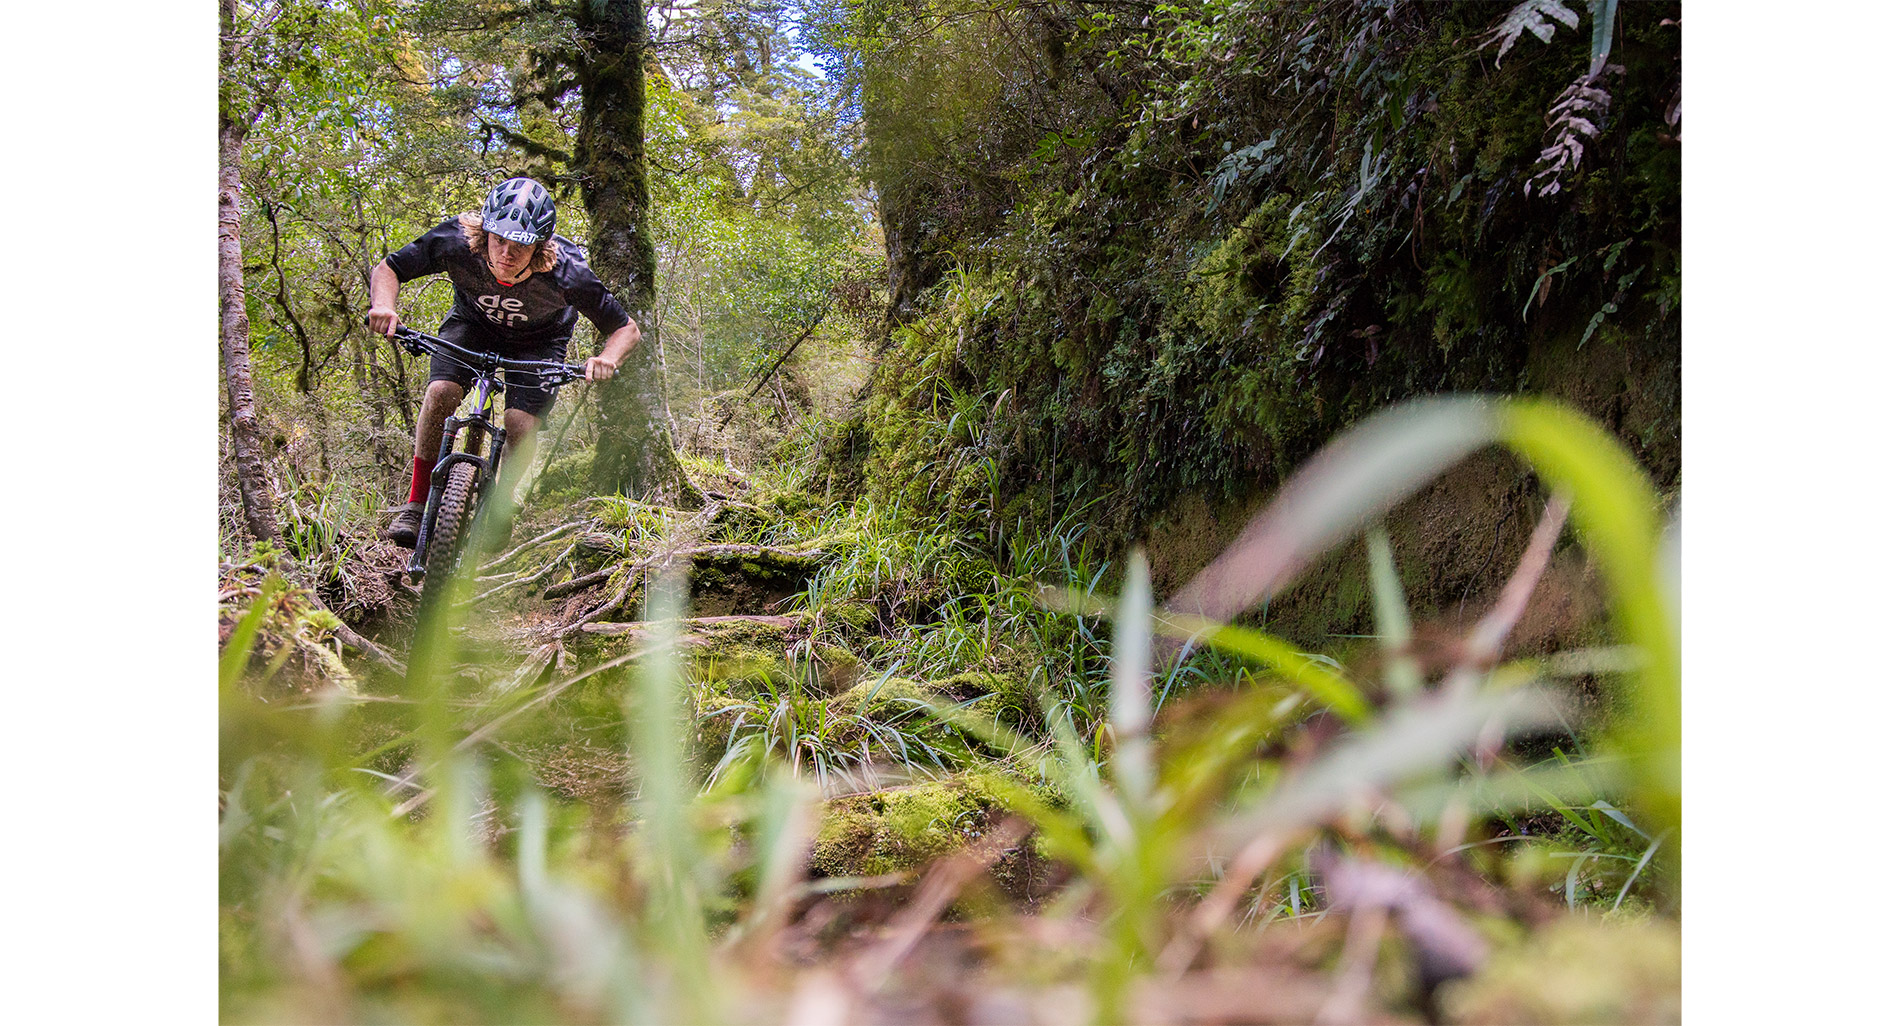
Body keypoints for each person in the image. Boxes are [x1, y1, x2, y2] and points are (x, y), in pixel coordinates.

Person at [366, 177, 640, 547]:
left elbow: (626, 329)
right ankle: (416, 503)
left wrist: (607, 358)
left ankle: (500, 500)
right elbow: (389, 269)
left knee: (520, 422)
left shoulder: (567, 272)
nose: (506, 254)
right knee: (441, 392)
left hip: (539, 341)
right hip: (472, 324)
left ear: (540, 247)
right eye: (499, 240)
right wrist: (384, 306)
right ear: (485, 233)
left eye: (521, 246)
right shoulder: (456, 241)